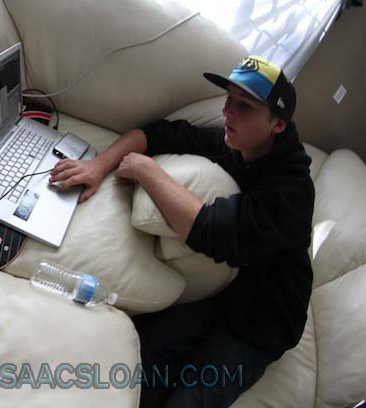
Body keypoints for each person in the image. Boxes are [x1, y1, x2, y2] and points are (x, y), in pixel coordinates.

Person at [49, 55, 314, 407]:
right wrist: (98, 165)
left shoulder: (292, 192)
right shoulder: (241, 146)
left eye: (245, 106)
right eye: (229, 99)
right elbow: (159, 133)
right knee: (130, 366)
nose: (228, 112)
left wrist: (146, 170)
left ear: (277, 124)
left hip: (262, 324)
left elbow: (209, 230)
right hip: (221, 294)